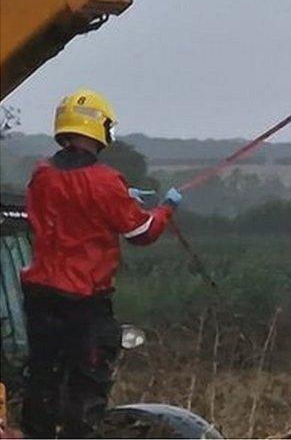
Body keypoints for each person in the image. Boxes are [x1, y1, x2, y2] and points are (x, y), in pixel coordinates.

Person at [20, 89, 183, 438]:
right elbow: (142, 232)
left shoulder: (42, 174)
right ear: (101, 128)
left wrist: (121, 198)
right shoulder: (106, 181)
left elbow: (65, 205)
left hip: (40, 295)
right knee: (85, 385)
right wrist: (166, 208)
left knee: (43, 376)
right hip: (84, 299)